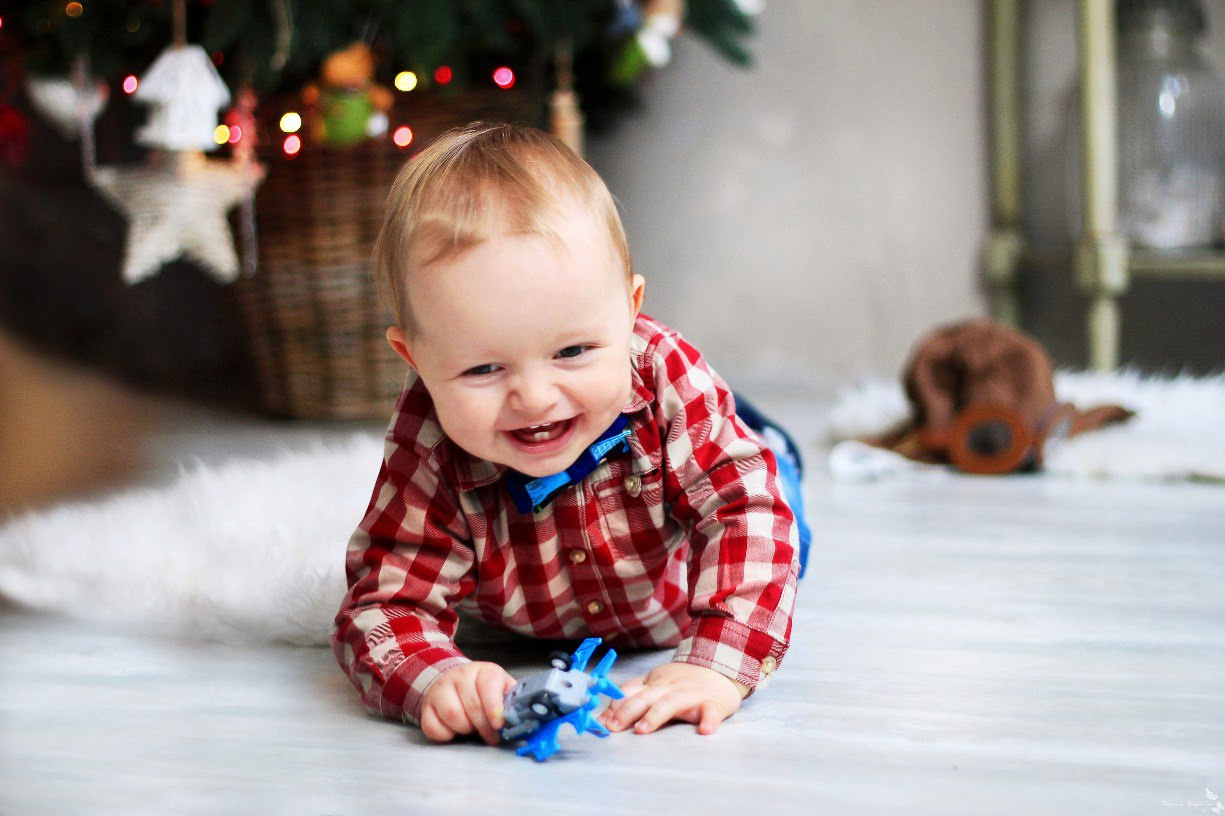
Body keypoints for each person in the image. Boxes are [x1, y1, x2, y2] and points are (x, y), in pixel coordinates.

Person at [331, 122, 808, 746]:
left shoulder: (662, 373)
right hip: (521, 620)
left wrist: (716, 666)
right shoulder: (429, 435)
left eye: (572, 351)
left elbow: (746, 512)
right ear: (415, 359)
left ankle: (767, 437)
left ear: (630, 311)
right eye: (484, 369)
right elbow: (383, 603)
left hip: (668, 587)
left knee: (776, 495)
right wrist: (434, 677)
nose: (534, 398)